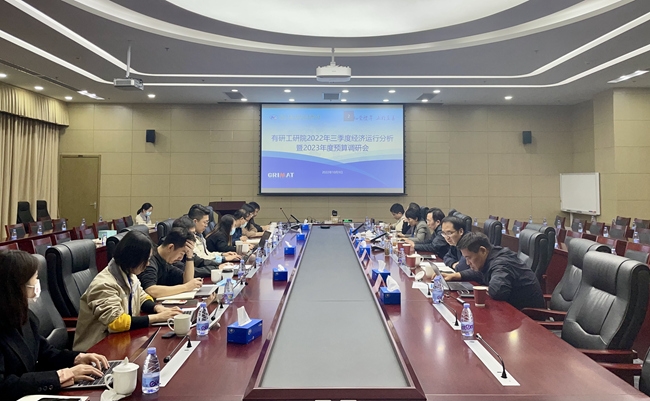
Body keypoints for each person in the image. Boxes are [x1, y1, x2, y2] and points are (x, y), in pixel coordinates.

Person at [0, 250, 108, 400]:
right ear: (16, 287)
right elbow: (4, 385)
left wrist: (77, 358)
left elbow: (45, 353)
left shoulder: (25, 316)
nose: (38, 284)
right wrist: (62, 376)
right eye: (35, 279)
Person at [73, 231, 183, 351]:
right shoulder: (104, 284)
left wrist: (158, 308)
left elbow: (142, 297)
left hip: (122, 341)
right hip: (96, 349)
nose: (148, 264)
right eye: (145, 260)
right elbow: (116, 322)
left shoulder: (129, 274)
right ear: (133, 258)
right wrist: (158, 317)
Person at [450, 232, 545, 310]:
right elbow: (480, 273)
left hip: (528, 316)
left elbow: (498, 291)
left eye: (469, 258)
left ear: (482, 250)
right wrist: (456, 275)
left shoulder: (502, 263)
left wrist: (485, 288)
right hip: (512, 310)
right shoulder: (491, 255)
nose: (467, 263)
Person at [137, 228, 202, 299]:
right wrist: (185, 287)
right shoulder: (149, 261)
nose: (181, 258)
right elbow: (151, 290)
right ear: (171, 247)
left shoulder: (166, 260)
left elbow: (187, 281)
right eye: (181, 253)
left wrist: (190, 257)